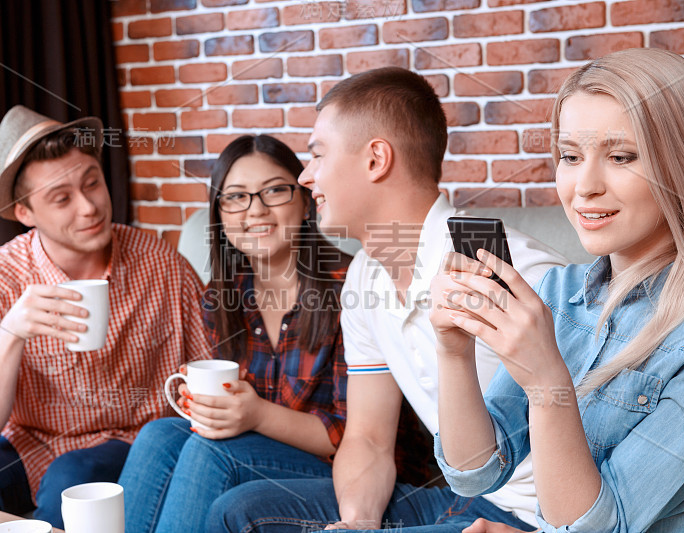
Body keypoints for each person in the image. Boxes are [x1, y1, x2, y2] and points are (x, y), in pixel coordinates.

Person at [206, 68, 567, 532]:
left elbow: (610, 444)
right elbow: (369, 439)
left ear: (376, 159)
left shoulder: (509, 269)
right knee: (241, 510)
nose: (305, 175)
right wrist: (358, 522)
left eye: (317, 154)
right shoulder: (364, 277)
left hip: (534, 518)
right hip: (458, 499)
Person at [432, 48, 684, 532]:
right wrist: (453, 351)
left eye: (620, 156)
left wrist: (546, 383)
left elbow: (600, 526)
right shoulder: (559, 292)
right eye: (570, 157)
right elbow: (476, 473)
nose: (584, 186)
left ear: (682, 168)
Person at [117, 134, 433, 533]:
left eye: (274, 191)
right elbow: (243, 402)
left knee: (208, 450)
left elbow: (353, 437)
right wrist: (217, 407)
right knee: (160, 434)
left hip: (361, 474)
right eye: (236, 197)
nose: (256, 210)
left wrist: (255, 414)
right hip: (267, 452)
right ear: (220, 214)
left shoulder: (350, 285)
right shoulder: (223, 295)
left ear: (305, 200)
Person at [0, 106, 211, 528]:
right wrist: (12, 332)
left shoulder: (160, 263)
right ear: (25, 213)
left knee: (72, 485)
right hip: (30, 443)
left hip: (130, 440)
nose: (89, 207)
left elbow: (207, 367)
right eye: (62, 198)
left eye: (93, 183)